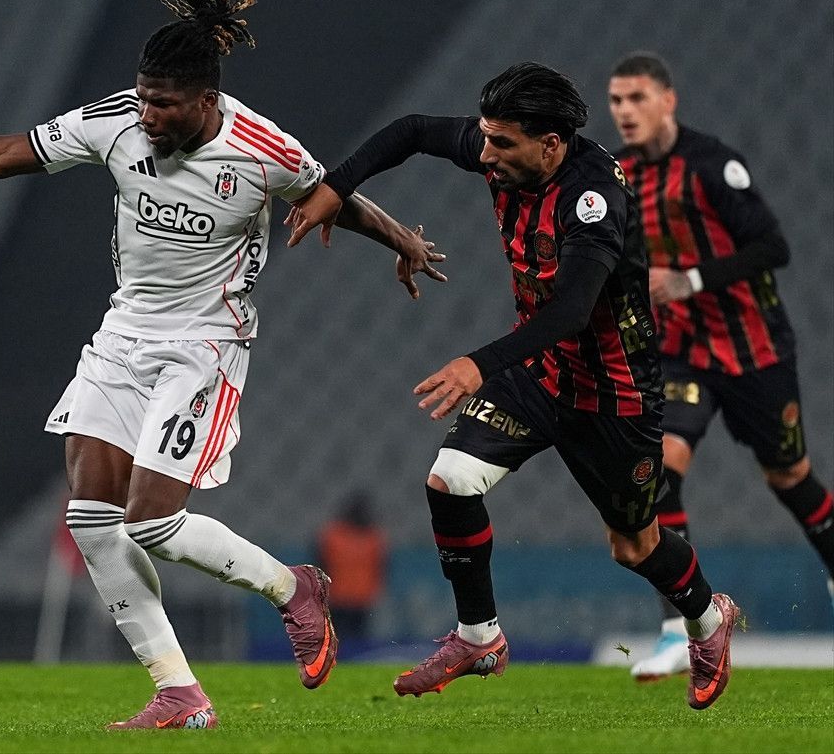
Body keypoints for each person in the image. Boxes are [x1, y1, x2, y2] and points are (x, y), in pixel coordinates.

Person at [0, 0, 444, 730]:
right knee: (92, 519)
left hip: (205, 344)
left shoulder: (262, 148)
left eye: (164, 104)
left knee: (153, 521)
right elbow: (1, 154)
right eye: (143, 98)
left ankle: (292, 587)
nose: (148, 116)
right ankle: (179, 690)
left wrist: (401, 239)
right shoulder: (117, 121)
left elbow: (332, 193)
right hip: (123, 333)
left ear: (206, 101)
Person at [287, 62, 739, 710]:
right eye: (486, 137)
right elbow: (412, 130)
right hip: (538, 372)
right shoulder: (506, 151)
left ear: (550, 145)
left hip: (612, 394)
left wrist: (478, 364)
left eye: (501, 143)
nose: (485, 154)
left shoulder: (593, 201)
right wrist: (337, 185)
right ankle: (480, 637)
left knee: (633, 545)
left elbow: (572, 312)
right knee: (450, 481)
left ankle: (709, 619)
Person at [608, 51, 834, 681]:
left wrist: (690, 279)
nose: (625, 111)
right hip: (681, 351)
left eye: (637, 97)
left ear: (668, 100)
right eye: (616, 100)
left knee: (789, 476)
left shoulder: (712, 165)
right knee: (658, 474)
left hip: (755, 349)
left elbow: (773, 247)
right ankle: (681, 627)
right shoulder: (617, 175)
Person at [318, 491, 388, 640]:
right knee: (338, 636)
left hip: (361, 599)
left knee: (356, 637)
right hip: (338, 598)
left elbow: (381, 567)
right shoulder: (333, 536)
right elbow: (321, 564)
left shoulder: (373, 538)